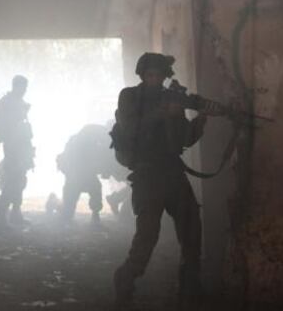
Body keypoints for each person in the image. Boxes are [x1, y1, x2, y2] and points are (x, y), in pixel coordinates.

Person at [110, 53, 209, 310]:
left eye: (159, 76)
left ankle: (189, 287)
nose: (155, 80)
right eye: (151, 75)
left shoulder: (171, 99)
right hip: (146, 176)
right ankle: (125, 279)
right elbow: (130, 128)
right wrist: (162, 112)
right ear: (143, 75)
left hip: (173, 173)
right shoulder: (129, 96)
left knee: (191, 230)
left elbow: (185, 138)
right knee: (147, 236)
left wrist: (203, 117)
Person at [0, 75, 34, 228]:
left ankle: (15, 213)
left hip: (22, 147)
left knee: (20, 181)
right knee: (11, 181)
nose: (24, 91)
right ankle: (1, 216)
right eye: (22, 87)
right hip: (13, 147)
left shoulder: (17, 102)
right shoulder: (7, 102)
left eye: (25, 88)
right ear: (15, 86)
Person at [55, 124, 117, 225]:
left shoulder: (91, 140)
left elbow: (102, 152)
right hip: (74, 173)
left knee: (95, 188)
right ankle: (60, 208)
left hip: (81, 172)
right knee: (71, 199)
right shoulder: (79, 142)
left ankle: (94, 216)